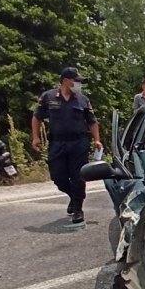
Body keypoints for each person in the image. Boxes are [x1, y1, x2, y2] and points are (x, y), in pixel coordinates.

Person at [31, 67, 102, 225]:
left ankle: (78, 208)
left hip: (79, 143)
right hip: (57, 143)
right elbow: (37, 118)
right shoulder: (48, 97)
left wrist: (97, 139)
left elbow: (92, 121)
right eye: (76, 81)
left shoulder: (83, 99)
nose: (78, 84)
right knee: (58, 177)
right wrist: (35, 137)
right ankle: (73, 196)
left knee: (78, 177)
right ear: (65, 81)